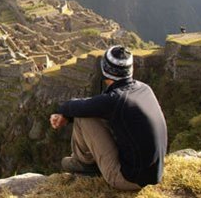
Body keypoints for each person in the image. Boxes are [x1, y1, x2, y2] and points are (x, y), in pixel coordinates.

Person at [49, 45, 167, 190]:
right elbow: (95, 105)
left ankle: (83, 164)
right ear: (131, 69)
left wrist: (63, 112)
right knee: (92, 113)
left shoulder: (115, 100)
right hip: (153, 172)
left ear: (105, 70)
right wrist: (67, 115)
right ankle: (90, 162)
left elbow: (79, 107)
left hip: (129, 179)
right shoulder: (144, 88)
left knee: (82, 117)